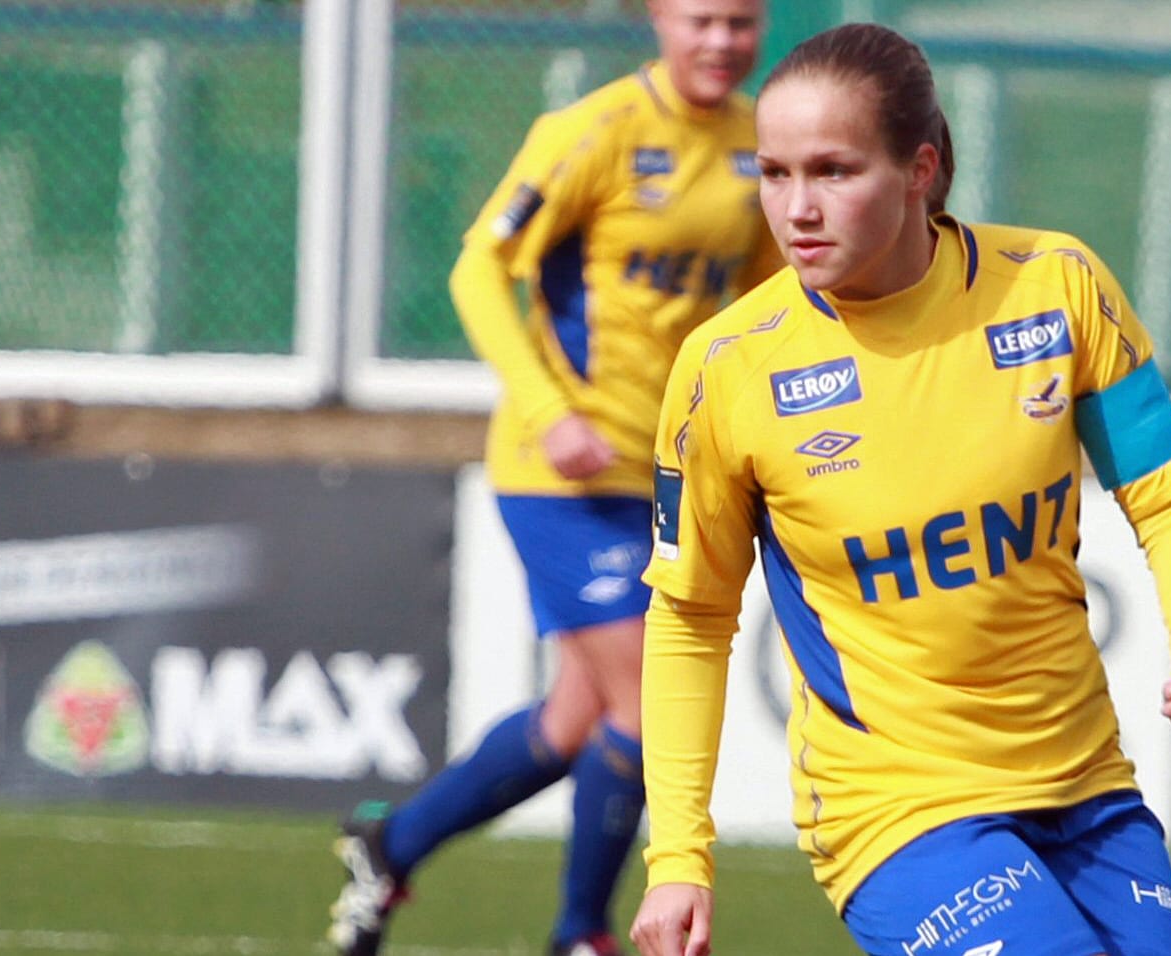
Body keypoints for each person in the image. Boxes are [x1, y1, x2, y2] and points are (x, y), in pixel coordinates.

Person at [627, 22, 1171, 956]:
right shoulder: (727, 369)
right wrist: (678, 857)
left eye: (833, 171)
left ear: (919, 168)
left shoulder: (1056, 288)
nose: (796, 208)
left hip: (1087, 789)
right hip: (896, 813)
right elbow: (689, 618)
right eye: (774, 173)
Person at [325, 3, 775, 955]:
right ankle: (579, 934)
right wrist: (548, 410)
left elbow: (767, 307)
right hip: (559, 475)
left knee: (574, 721)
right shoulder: (593, 131)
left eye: (740, 22)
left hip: (663, 475)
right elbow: (479, 271)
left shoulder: (759, 144)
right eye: (700, 19)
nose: (721, 41)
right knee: (647, 704)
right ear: (658, 17)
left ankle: (390, 845)